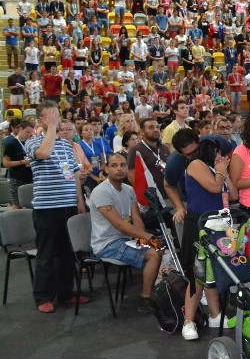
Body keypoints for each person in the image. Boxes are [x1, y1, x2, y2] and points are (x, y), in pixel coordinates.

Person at [25, 101, 89, 313]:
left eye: (56, 114)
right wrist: (51, 128)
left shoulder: (65, 145)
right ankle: (43, 296)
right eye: (50, 115)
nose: (55, 117)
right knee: (47, 253)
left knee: (67, 253)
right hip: (47, 207)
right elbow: (43, 154)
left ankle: (66, 293)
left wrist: (79, 201)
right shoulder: (34, 142)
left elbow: (72, 175)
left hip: (68, 205)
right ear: (41, 120)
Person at [90, 153, 163, 313]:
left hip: (125, 239)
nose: (119, 169)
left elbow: (136, 217)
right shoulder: (101, 191)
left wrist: (143, 238)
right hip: (107, 244)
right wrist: (146, 237)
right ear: (106, 168)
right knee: (153, 254)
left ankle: (157, 292)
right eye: (114, 166)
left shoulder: (129, 189)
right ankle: (145, 300)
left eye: (123, 165)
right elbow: (119, 224)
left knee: (159, 246)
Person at [180, 139, 239, 340]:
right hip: (200, 224)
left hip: (218, 223)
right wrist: (221, 171)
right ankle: (188, 321)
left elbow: (233, 194)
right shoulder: (196, 165)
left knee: (212, 273)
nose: (220, 157)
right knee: (198, 273)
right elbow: (214, 188)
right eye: (217, 153)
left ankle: (215, 314)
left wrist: (225, 173)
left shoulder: (217, 171)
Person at [2, 117, 33, 209]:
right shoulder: (12, 143)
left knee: (30, 203)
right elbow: (6, 163)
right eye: (27, 132)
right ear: (20, 129)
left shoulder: (30, 143)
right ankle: (13, 223)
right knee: (17, 204)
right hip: (17, 178)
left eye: (31, 133)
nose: (29, 135)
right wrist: (21, 162)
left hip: (30, 177)